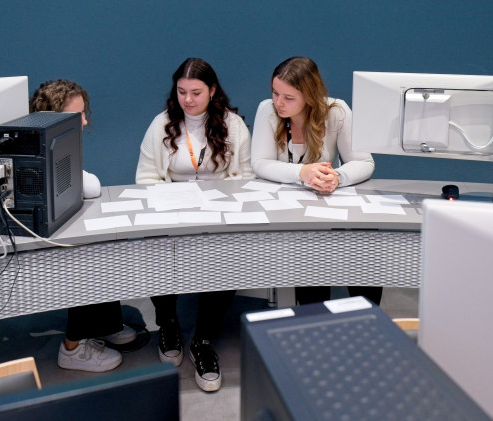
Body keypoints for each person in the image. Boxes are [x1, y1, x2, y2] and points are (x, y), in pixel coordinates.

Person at [0, 79, 135, 373]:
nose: (85, 121)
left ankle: (102, 327)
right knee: (87, 256)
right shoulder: (8, 158)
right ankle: (73, 348)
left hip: (37, 236)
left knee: (100, 242)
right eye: (78, 115)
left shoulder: (57, 152)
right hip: (15, 248)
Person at [136, 58, 253, 391]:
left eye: (196, 92)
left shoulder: (233, 125)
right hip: (172, 211)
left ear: (212, 90)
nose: (187, 100)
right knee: (155, 247)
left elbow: (247, 177)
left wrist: (218, 201)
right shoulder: (161, 124)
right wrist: (174, 200)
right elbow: (145, 177)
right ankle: (168, 324)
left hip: (219, 214)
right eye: (182, 91)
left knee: (226, 255)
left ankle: (203, 339)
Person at [250, 56, 379, 305]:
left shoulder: (337, 111)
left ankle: (368, 317)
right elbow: (260, 163)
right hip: (285, 209)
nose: (278, 103)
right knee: (309, 252)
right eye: (275, 93)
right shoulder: (267, 110)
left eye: (288, 98)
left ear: (309, 96)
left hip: (326, 205)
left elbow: (365, 162)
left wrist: (337, 177)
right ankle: (315, 318)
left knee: (364, 246)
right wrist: (302, 173)